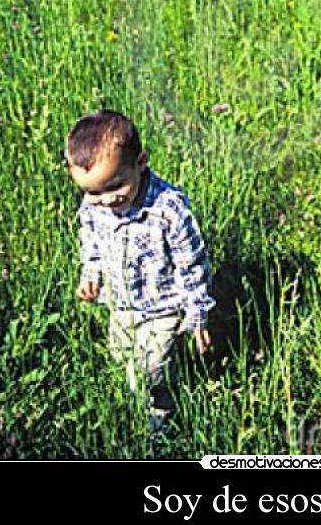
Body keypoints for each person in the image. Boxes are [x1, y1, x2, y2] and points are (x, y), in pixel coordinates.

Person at [64, 109, 215, 428]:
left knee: (151, 369)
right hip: (120, 304)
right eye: (93, 191)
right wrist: (90, 274)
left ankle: (161, 419)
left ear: (141, 161)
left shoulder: (168, 209)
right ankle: (135, 410)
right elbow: (90, 240)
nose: (106, 200)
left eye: (115, 186)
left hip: (163, 306)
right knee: (123, 361)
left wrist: (197, 313)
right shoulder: (94, 205)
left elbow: (192, 262)